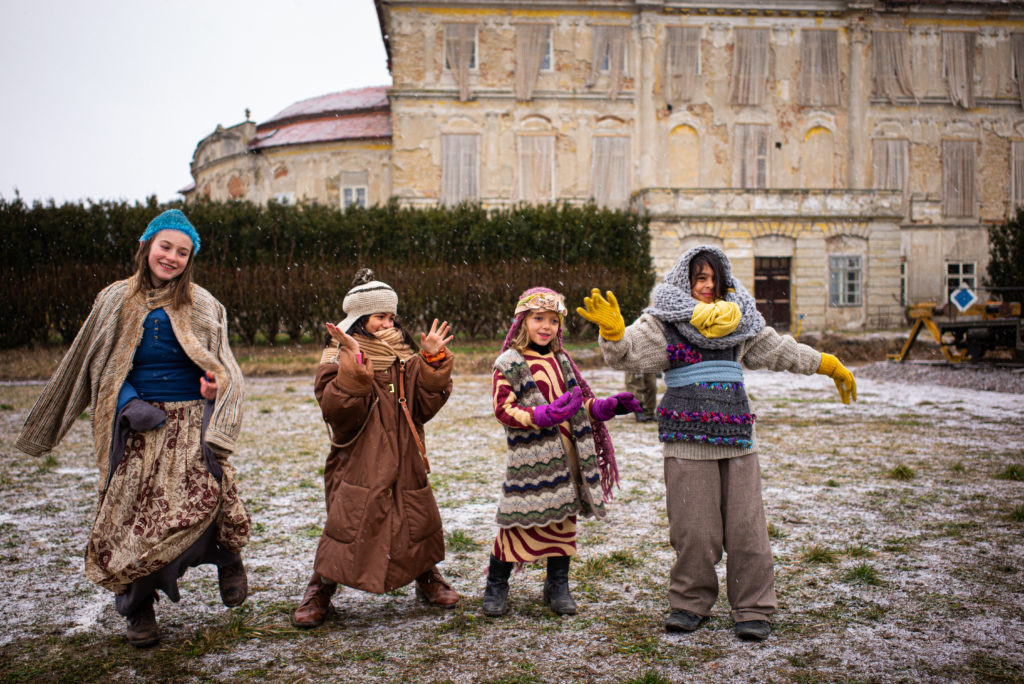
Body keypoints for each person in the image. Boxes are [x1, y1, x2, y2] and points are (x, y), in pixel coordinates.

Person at [577, 246, 856, 641]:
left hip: (738, 438)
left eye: (714, 279)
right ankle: (689, 603)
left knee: (748, 530)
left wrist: (827, 363)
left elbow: (780, 350)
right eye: (700, 278)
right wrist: (613, 333)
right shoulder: (663, 323)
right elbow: (627, 354)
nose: (708, 286)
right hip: (685, 442)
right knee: (695, 531)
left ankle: (753, 608)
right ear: (685, 281)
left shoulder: (740, 322)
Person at [16, 209, 250, 648]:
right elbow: (95, 364)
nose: (172, 257)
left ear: (190, 259)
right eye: (166, 246)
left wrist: (215, 388)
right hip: (138, 422)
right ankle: (138, 608)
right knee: (130, 515)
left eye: (183, 252)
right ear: (146, 247)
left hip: (190, 416)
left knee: (211, 490)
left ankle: (228, 558)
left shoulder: (202, 303)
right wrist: (127, 402)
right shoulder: (113, 299)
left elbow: (223, 364)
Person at [291, 269, 459, 628]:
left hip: (405, 453)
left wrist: (431, 364)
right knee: (348, 521)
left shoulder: (404, 356)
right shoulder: (338, 355)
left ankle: (426, 576)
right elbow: (337, 411)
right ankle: (320, 587)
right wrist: (354, 369)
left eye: (391, 316)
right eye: (380, 316)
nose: (388, 323)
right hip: (359, 456)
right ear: (360, 320)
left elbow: (424, 406)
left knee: (416, 516)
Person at [481, 287, 643, 617]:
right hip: (531, 463)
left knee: (563, 524)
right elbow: (503, 409)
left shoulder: (562, 361)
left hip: (569, 456)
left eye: (553, 320)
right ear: (522, 321)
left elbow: (576, 405)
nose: (546, 326)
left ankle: (558, 583)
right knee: (517, 523)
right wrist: (539, 416)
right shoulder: (510, 364)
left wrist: (604, 407)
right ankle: (497, 583)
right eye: (538, 318)